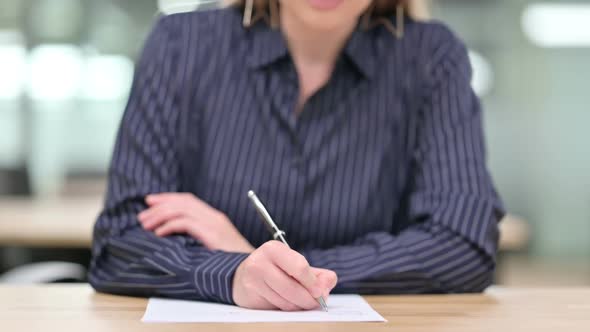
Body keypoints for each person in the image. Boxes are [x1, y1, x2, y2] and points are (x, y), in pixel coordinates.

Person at [89, 0, 504, 311]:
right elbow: (119, 244)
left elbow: (463, 245)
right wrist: (232, 275)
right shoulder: (182, 45)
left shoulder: (430, 56)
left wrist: (259, 264)